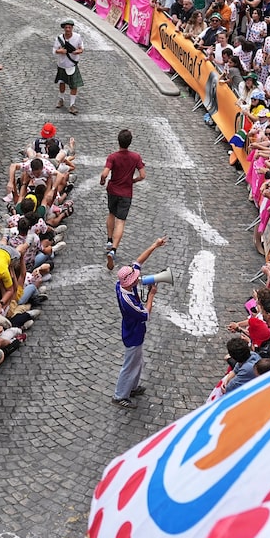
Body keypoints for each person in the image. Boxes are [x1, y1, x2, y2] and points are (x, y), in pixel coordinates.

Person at [111, 237, 167, 410]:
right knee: (130, 364)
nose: (138, 279)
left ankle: (132, 388)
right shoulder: (128, 301)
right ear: (130, 283)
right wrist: (151, 295)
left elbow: (138, 261)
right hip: (133, 333)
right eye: (135, 279)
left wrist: (154, 245)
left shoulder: (121, 286)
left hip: (134, 331)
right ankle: (120, 395)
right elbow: (145, 314)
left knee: (137, 362)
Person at [99, 128, 146, 270]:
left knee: (111, 214)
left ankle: (108, 240)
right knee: (121, 222)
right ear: (130, 142)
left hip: (113, 190)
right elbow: (143, 175)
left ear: (118, 141)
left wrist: (102, 180)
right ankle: (113, 249)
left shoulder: (112, 157)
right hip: (126, 193)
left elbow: (105, 173)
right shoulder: (136, 157)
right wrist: (134, 180)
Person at [53, 19, 84, 115]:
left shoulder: (77, 37)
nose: (68, 29)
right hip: (62, 64)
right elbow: (54, 50)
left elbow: (81, 48)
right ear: (64, 29)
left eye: (69, 27)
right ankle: (61, 99)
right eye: (66, 27)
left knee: (73, 85)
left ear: (72, 28)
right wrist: (59, 51)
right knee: (62, 83)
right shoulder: (59, 38)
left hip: (72, 65)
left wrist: (78, 51)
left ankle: (72, 105)